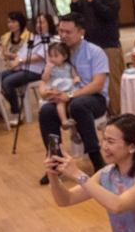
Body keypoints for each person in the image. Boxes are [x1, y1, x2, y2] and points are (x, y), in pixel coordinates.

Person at [39, 13, 109, 185]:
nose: (63, 35)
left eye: (68, 32)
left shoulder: (95, 52)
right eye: (60, 31)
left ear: (81, 32)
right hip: (64, 99)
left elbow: (98, 84)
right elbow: (44, 80)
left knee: (78, 105)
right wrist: (46, 93)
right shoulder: (57, 52)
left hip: (93, 99)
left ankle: (96, 158)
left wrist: (68, 95)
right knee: (46, 111)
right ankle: (55, 161)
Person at [70, 0, 124, 115]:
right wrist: (74, 0)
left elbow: (109, 14)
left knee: (113, 86)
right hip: (89, 49)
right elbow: (76, 19)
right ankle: (102, 115)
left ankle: (117, 117)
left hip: (108, 46)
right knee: (91, 84)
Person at [0, 13, 54, 125]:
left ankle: (16, 112)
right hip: (22, 67)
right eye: (37, 22)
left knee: (7, 82)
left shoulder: (49, 39)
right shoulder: (33, 37)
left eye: (42, 22)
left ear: (49, 24)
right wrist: (17, 61)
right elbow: (21, 52)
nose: (38, 25)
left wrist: (21, 61)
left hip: (36, 71)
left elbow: (41, 57)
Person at [41, 42, 81, 130]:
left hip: (68, 88)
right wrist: (48, 69)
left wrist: (76, 79)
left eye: (56, 56)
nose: (53, 59)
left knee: (73, 105)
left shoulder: (69, 66)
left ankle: (75, 131)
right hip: (58, 89)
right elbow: (45, 79)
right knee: (61, 102)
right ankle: (64, 121)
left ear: (65, 57)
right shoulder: (51, 68)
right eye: (50, 56)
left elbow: (74, 75)